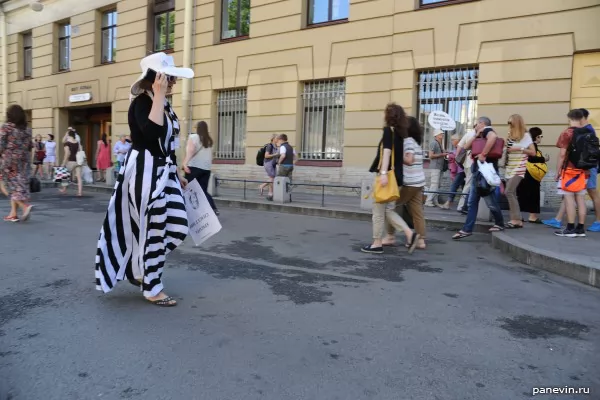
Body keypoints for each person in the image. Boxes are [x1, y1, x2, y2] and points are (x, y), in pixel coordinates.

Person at [95, 52, 193, 307]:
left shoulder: (162, 103)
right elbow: (151, 134)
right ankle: (152, 286)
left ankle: (139, 268)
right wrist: (159, 95)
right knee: (155, 230)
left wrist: (176, 174)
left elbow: (166, 145)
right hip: (144, 173)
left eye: (172, 79)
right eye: (168, 78)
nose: (172, 83)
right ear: (155, 78)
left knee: (178, 226)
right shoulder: (141, 102)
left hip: (163, 172)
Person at [362, 103, 419, 254]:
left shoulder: (388, 131)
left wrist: (383, 174)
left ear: (389, 116)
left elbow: (386, 153)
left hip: (387, 177)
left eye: (384, 112)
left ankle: (376, 243)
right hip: (397, 178)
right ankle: (409, 233)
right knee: (389, 210)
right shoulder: (401, 134)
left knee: (378, 211)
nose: (382, 115)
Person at [452, 116, 505, 240]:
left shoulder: (487, 131)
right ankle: (468, 229)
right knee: (473, 201)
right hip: (480, 171)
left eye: (477, 124)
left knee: (488, 201)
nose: (475, 126)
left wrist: (483, 154)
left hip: (484, 172)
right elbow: (466, 147)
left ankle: (498, 223)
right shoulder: (481, 134)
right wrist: (476, 135)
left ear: (482, 123)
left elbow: (492, 137)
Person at [383, 116, 427, 250]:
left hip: (409, 183)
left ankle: (390, 236)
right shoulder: (416, 143)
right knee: (417, 212)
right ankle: (421, 241)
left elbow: (409, 160)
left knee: (389, 208)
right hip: (419, 183)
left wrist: (394, 157)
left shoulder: (407, 141)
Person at [554, 109, 592, 237]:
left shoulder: (567, 133)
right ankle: (580, 229)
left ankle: (570, 228)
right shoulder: (589, 132)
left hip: (570, 170)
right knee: (580, 198)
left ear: (569, 118)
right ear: (581, 118)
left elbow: (563, 154)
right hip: (584, 170)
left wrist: (558, 171)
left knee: (569, 198)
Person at [0, 105, 34, 222]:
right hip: (23, 161)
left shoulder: (7, 127)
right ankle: (13, 213)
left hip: (9, 161)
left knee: (7, 186)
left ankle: (24, 206)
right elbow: (30, 146)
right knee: (18, 186)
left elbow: (1, 144)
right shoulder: (27, 129)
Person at [503, 114, 536, 229]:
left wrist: (519, 148)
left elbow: (533, 152)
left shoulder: (526, 136)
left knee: (509, 192)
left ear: (517, 123)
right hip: (509, 167)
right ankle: (517, 219)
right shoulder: (510, 135)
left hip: (519, 167)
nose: (509, 125)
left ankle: (516, 219)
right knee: (512, 193)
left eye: (511, 123)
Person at [183, 120, 219, 215]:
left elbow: (190, 151)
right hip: (206, 169)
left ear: (198, 128)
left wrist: (185, 163)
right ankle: (213, 208)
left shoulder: (193, 137)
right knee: (203, 191)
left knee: (188, 189)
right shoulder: (209, 140)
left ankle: (189, 211)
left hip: (193, 167)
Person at [516, 128, 547, 223]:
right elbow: (532, 158)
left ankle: (519, 216)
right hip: (531, 174)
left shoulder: (525, 144)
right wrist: (543, 159)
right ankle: (532, 216)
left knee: (521, 194)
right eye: (541, 136)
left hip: (522, 171)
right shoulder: (532, 145)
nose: (541, 138)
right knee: (533, 194)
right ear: (536, 136)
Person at [424, 130, 448, 207]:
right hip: (435, 167)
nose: (442, 135)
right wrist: (442, 154)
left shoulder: (439, 144)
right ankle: (428, 201)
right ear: (437, 135)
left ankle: (435, 201)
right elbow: (431, 155)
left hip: (439, 167)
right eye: (441, 134)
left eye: (442, 134)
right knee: (434, 185)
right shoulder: (434, 143)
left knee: (437, 185)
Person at [441, 134, 465, 210]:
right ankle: (464, 205)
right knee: (464, 187)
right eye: (451, 140)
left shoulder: (462, 147)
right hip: (459, 170)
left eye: (453, 140)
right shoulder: (456, 148)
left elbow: (457, 156)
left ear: (458, 140)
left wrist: (450, 154)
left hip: (461, 170)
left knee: (454, 186)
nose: (452, 142)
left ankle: (448, 202)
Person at [59, 130, 83, 197]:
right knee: (79, 177)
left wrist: (64, 162)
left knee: (64, 175)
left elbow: (67, 153)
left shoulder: (67, 143)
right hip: (78, 161)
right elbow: (80, 151)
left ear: (68, 135)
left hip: (71, 161)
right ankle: (80, 192)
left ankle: (64, 189)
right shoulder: (77, 143)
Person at [259, 134, 278, 200]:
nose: (278, 139)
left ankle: (263, 187)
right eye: (277, 138)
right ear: (273, 139)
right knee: (272, 178)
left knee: (273, 178)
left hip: (273, 164)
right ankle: (270, 193)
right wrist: (276, 154)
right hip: (268, 163)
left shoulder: (276, 146)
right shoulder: (270, 146)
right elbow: (266, 156)